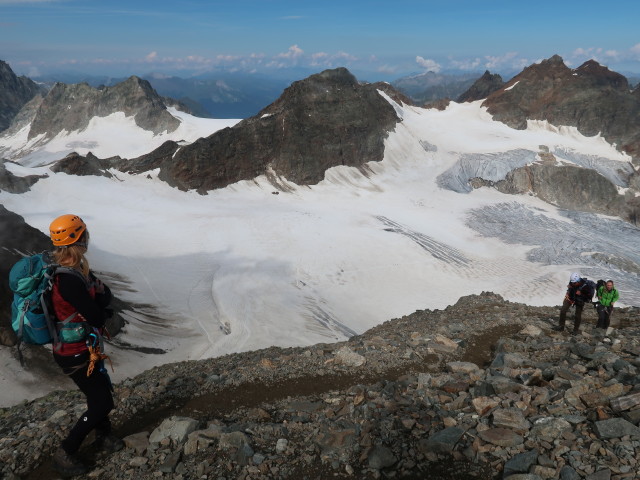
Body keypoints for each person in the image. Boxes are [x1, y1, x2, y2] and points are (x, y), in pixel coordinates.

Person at [48, 214, 123, 477]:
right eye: (84, 235)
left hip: (81, 348)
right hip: (74, 352)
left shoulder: (76, 272)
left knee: (99, 396)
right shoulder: (69, 279)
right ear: (78, 239)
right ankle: (66, 451)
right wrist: (102, 310)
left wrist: (100, 304)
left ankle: (104, 436)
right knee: (102, 402)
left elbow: (104, 297)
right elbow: (96, 313)